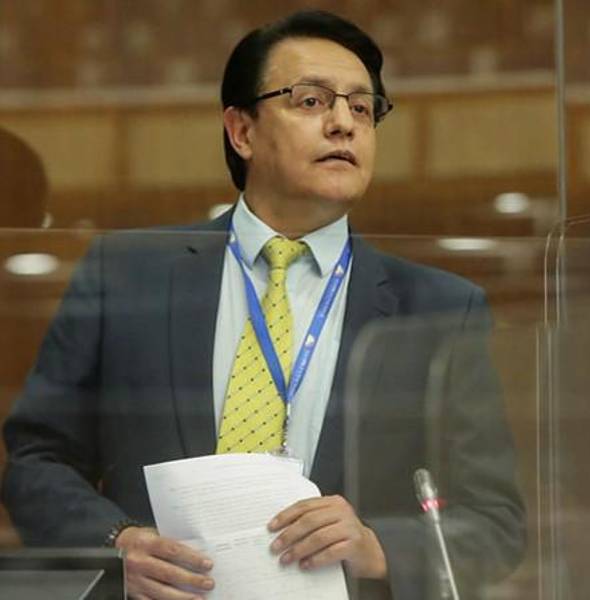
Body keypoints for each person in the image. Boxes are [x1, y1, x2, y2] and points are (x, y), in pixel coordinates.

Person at [2, 10, 525, 600]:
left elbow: (496, 523)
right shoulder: (126, 276)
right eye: (311, 101)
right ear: (241, 132)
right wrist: (116, 543)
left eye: (362, 108)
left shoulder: (438, 309)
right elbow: (37, 460)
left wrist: (378, 546)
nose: (343, 124)